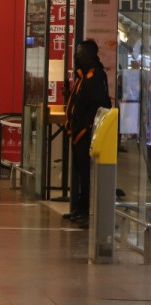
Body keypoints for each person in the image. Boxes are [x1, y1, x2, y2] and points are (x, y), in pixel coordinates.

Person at [64, 39, 112, 228]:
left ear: (90, 55)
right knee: (81, 173)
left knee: (87, 175)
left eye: (81, 53)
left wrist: (86, 127)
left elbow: (98, 105)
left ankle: (88, 212)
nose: (77, 56)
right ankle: (81, 208)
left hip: (87, 133)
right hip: (77, 131)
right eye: (77, 52)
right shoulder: (83, 77)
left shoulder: (96, 76)